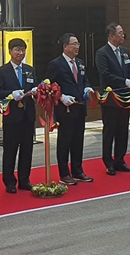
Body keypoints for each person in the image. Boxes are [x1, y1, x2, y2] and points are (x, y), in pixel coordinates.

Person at [95, 22, 130, 175]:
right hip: (110, 97)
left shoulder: (124, 51)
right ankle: (108, 162)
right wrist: (125, 82)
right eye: (120, 33)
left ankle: (120, 160)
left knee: (123, 130)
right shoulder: (102, 53)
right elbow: (105, 74)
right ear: (111, 36)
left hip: (125, 97)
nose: (123, 36)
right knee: (110, 130)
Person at [46, 33, 94, 185]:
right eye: (74, 44)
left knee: (78, 140)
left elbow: (85, 80)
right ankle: (64, 173)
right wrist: (61, 97)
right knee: (64, 141)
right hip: (65, 109)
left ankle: (77, 170)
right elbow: (48, 85)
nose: (77, 47)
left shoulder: (80, 63)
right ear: (65, 46)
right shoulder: (56, 64)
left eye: (78, 44)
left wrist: (87, 88)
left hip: (80, 107)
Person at [0, 38, 37, 193]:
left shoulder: (29, 69)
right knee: (10, 150)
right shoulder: (2, 71)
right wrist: (12, 94)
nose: (20, 53)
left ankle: (24, 180)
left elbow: (34, 87)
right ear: (10, 51)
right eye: (17, 49)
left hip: (28, 115)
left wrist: (37, 91)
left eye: (23, 50)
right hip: (12, 116)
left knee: (27, 149)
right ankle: (9, 182)